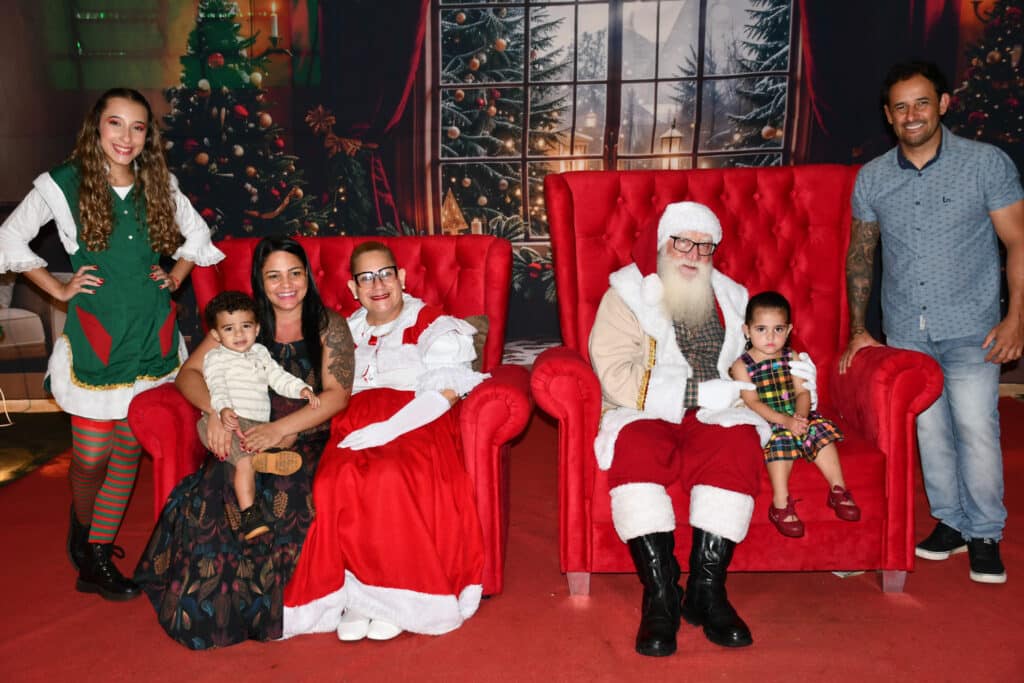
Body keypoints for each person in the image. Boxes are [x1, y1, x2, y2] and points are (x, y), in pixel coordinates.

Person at [0, 88, 224, 601]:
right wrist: (58, 289)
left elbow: (197, 235)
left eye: (138, 127)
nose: (126, 137)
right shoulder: (63, 183)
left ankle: (97, 556)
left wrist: (174, 277)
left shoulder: (157, 181)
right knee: (90, 456)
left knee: (127, 446)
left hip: (150, 334)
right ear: (96, 127)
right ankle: (82, 527)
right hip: (97, 337)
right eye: (115, 123)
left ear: (148, 135)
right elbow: (9, 238)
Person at [588, 201, 818, 656]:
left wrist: (798, 377)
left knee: (737, 444)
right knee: (634, 450)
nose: (693, 255)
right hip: (643, 408)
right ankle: (661, 595)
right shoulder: (626, 293)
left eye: (705, 246)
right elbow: (613, 372)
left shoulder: (733, 297)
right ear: (662, 245)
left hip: (720, 409)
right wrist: (691, 393)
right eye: (682, 243)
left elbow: (766, 350)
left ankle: (706, 591)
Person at [840, 60, 1024, 584]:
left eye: (922, 102)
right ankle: (951, 523)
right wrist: (859, 327)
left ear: (943, 104)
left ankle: (985, 533)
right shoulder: (873, 177)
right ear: (888, 115)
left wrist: (1017, 319)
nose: (912, 115)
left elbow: (1018, 240)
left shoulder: (985, 164)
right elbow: (861, 255)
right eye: (900, 107)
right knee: (930, 432)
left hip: (973, 325)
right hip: (906, 330)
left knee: (976, 428)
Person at [134, 236, 354, 649]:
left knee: (288, 492)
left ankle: (284, 611)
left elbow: (337, 395)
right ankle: (215, 615)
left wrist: (279, 430)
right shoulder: (242, 323)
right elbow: (189, 374)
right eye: (274, 276)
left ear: (307, 276)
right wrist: (213, 412)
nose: (286, 284)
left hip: (304, 435)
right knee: (218, 492)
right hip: (244, 433)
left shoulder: (328, 324)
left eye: (294, 273)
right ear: (260, 281)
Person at [282, 241, 489, 643]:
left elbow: (447, 392)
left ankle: (397, 595)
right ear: (352, 287)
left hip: (416, 421)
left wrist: (390, 429)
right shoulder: (343, 330)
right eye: (366, 278)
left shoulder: (431, 323)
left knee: (389, 477)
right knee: (334, 481)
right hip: (353, 421)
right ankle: (359, 597)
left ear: (402, 278)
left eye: (385, 274)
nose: (378, 285)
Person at [731, 291, 857, 539]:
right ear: (747, 331)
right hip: (768, 421)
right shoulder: (741, 365)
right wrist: (785, 421)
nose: (770, 337)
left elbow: (802, 392)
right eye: (761, 329)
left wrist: (800, 418)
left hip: (796, 414)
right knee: (780, 442)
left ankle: (838, 489)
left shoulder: (793, 358)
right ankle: (780, 504)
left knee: (819, 432)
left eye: (778, 329)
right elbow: (752, 402)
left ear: (788, 330)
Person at [199, 290, 321, 540]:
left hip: (256, 422)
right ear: (216, 335)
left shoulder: (260, 353)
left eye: (245, 326)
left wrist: (302, 389)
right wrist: (222, 409)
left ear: (256, 329)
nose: (239, 334)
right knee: (244, 462)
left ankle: (265, 457)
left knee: (288, 436)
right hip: (226, 422)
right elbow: (216, 385)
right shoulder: (216, 357)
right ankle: (250, 515)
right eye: (229, 329)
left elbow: (277, 377)